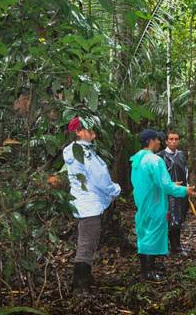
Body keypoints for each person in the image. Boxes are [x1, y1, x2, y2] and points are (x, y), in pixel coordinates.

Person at [63, 116, 121, 294]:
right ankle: (80, 285)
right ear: (78, 132)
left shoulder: (76, 150)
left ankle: (84, 278)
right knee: (87, 244)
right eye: (87, 128)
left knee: (87, 242)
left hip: (84, 203)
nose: (92, 130)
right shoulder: (83, 153)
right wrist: (115, 190)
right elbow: (99, 178)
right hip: (89, 205)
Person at [130, 129, 196, 281]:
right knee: (152, 236)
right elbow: (166, 186)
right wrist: (184, 190)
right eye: (156, 139)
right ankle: (148, 272)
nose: (159, 142)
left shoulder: (136, 160)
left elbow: (149, 181)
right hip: (155, 203)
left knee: (144, 234)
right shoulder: (155, 160)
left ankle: (149, 267)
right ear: (150, 141)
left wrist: (171, 184)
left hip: (143, 202)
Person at [157, 130, 191, 256]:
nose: (174, 141)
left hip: (181, 192)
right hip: (166, 194)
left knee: (178, 219)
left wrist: (186, 188)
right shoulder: (160, 156)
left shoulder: (181, 155)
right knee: (167, 220)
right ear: (166, 141)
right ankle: (164, 247)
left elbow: (186, 171)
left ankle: (176, 247)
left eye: (176, 139)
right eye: (171, 139)